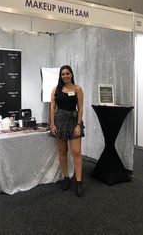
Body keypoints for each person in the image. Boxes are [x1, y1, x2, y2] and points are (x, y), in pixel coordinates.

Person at [50, 65, 85, 197]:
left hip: (73, 122)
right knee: (62, 151)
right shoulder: (56, 90)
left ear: (71, 74)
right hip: (59, 123)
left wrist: (78, 125)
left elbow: (80, 108)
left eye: (67, 73)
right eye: (63, 74)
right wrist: (52, 124)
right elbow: (52, 108)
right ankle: (66, 178)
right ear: (60, 76)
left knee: (76, 152)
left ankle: (79, 183)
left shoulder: (77, 89)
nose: (65, 76)